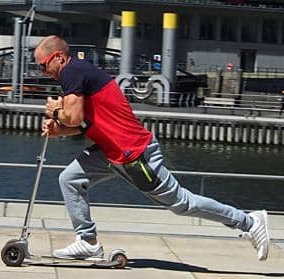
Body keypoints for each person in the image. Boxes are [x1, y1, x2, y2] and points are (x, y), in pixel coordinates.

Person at [34, 35, 270, 261]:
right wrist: (59, 130)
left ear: (59, 57)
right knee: (70, 180)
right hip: (109, 150)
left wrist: (55, 111)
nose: (43, 72)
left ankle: (249, 222)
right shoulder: (78, 73)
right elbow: (84, 125)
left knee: (182, 204)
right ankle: (88, 242)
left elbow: (73, 118)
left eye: (43, 66)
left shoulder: (72, 71)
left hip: (133, 154)